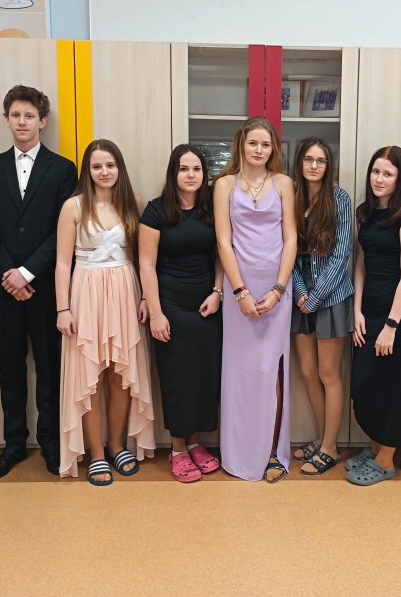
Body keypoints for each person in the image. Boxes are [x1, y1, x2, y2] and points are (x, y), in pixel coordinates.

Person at [0, 85, 77, 480]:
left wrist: (28, 272)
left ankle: (50, 443)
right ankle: (14, 444)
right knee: (10, 368)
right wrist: (10, 275)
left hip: (47, 287)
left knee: (50, 369)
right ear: (6, 120)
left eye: (29, 116)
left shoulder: (63, 169)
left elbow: (62, 231)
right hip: (4, 289)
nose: (22, 122)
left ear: (42, 121)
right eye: (15, 115)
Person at [55, 139, 156, 484]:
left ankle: (117, 445)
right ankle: (96, 453)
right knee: (92, 375)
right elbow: (62, 262)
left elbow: (143, 258)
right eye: (97, 166)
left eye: (110, 165)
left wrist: (146, 298)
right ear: (88, 170)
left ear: (119, 168)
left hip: (125, 290)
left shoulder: (133, 203)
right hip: (86, 292)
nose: (104, 172)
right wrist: (63, 308)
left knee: (120, 374)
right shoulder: (73, 206)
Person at [214, 117, 297, 482]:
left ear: (273, 148)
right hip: (240, 291)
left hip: (276, 291)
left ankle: (273, 452)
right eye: (253, 143)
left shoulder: (283, 183)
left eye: (265, 144)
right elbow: (223, 241)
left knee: (271, 371)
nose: (259, 150)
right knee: (241, 372)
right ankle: (239, 453)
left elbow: (291, 238)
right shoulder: (224, 185)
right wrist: (240, 292)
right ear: (241, 145)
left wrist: (278, 290)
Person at [139, 145, 224, 483]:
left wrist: (218, 292)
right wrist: (156, 313)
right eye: (184, 169)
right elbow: (146, 264)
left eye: (197, 169)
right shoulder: (156, 210)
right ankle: (177, 448)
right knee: (178, 378)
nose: (191, 175)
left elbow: (222, 254)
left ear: (205, 174)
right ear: (173, 173)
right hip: (170, 305)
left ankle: (195, 443)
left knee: (204, 376)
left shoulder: (212, 208)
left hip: (207, 305)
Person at [346, 146, 401, 486]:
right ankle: (376, 446)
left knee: (390, 388)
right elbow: (361, 263)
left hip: (396, 315)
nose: (379, 179)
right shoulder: (366, 213)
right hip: (369, 310)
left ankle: (386, 460)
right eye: (376, 171)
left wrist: (391, 325)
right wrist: (357, 310)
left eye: (388, 174)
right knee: (363, 387)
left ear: (400, 179)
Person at [289, 138, 354, 476]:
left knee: (329, 374)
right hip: (300, 298)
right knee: (308, 372)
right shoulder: (291, 197)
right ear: (299, 163)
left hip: (332, 298)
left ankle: (330, 448)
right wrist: (301, 292)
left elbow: (342, 255)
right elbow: (287, 250)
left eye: (321, 160)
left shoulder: (339, 198)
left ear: (329, 166)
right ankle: (320, 437)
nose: (314, 166)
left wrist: (315, 298)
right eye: (308, 159)